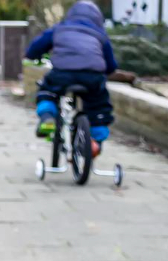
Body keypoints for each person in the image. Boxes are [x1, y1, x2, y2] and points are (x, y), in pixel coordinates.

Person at [26, 0, 118, 154]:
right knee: (99, 106)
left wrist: (33, 56)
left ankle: (48, 117)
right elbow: (111, 65)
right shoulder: (100, 35)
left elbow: (35, 48)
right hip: (92, 76)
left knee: (47, 92)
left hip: (63, 73)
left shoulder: (59, 29)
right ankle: (96, 141)